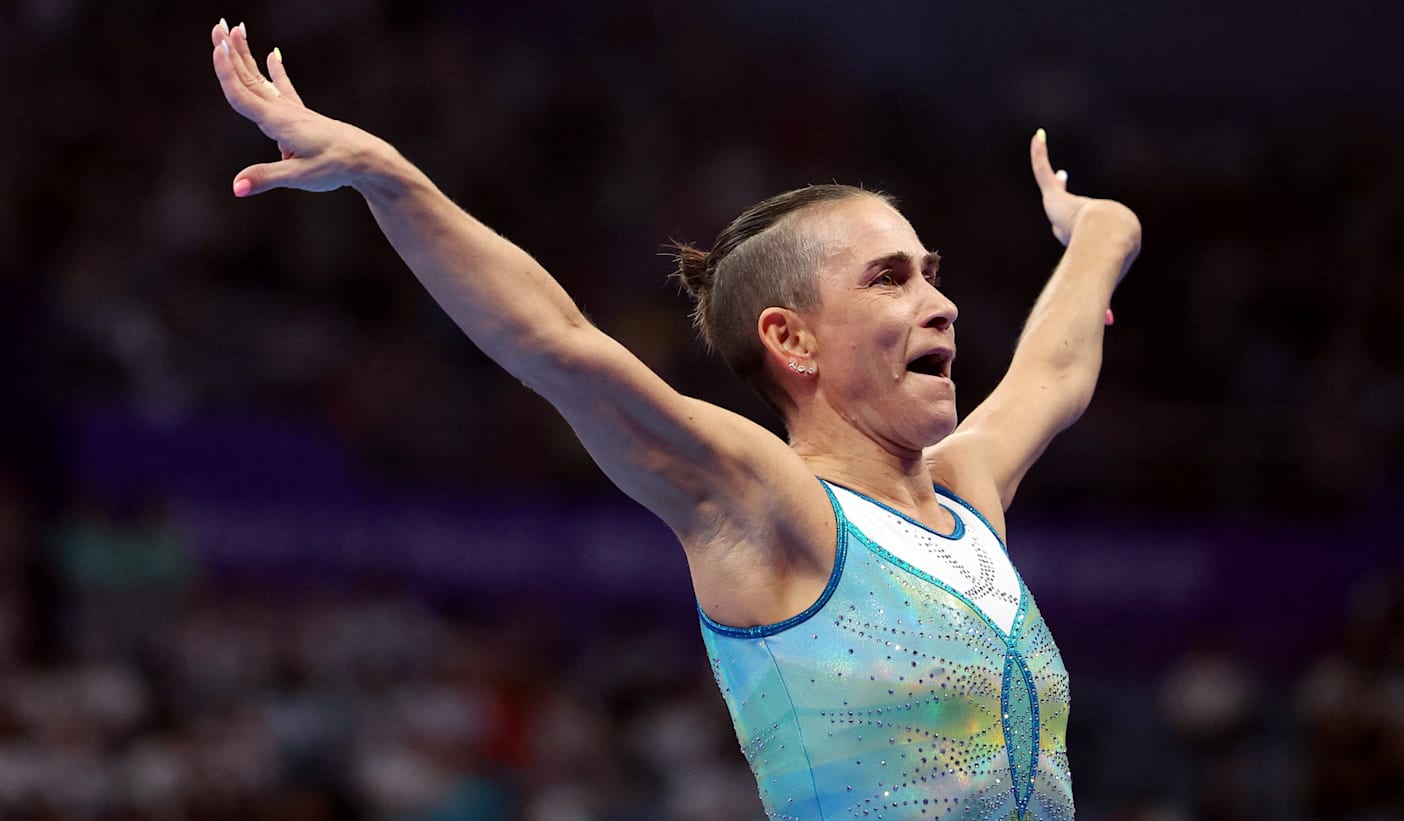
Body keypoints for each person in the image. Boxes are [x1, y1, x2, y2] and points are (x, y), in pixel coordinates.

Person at [210, 18, 1140, 821]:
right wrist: (386, 176)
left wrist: (1103, 227)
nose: (941, 303)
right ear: (792, 338)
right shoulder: (772, 503)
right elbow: (557, 342)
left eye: (931, 273)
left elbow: (1055, 364)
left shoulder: (968, 495)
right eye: (890, 278)